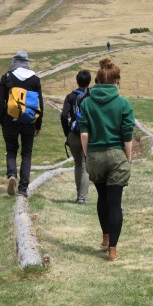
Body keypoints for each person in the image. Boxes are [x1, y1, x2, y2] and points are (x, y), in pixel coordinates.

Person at [78, 58, 135, 261]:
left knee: (102, 198)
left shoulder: (86, 102)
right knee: (115, 203)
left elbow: (83, 134)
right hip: (116, 154)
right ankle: (112, 250)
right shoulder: (122, 103)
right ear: (116, 81)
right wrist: (127, 158)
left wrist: (87, 155)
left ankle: (104, 238)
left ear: (98, 81)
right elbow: (127, 134)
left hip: (95, 154)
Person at [0, 50, 43, 197]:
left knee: (11, 150)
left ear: (14, 62)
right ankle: (23, 188)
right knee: (27, 153)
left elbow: (0, 102)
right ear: (27, 62)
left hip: (10, 119)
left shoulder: (7, 77)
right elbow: (39, 103)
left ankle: (12, 175)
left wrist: (2, 120)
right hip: (29, 120)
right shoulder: (35, 79)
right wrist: (38, 124)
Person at [60, 70, 91, 205]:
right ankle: (81, 197)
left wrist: (67, 133)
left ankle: (79, 195)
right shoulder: (92, 96)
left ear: (77, 81)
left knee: (78, 164)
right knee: (85, 165)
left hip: (73, 134)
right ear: (89, 81)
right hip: (88, 134)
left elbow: (63, 116)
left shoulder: (71, 96)